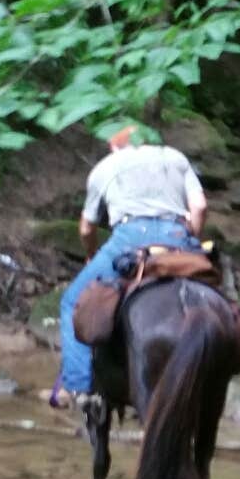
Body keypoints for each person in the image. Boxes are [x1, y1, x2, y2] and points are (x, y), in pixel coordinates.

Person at [51, 123, 207, 405]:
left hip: (129, 239)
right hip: (177, 236)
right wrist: (190, 239)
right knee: (214, 287)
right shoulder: (175, 157)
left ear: (115, 146)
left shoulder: (105, 167)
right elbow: (199, 208)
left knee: (72, 301)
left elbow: (87, 228)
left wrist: (91, 254)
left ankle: (77, 387)